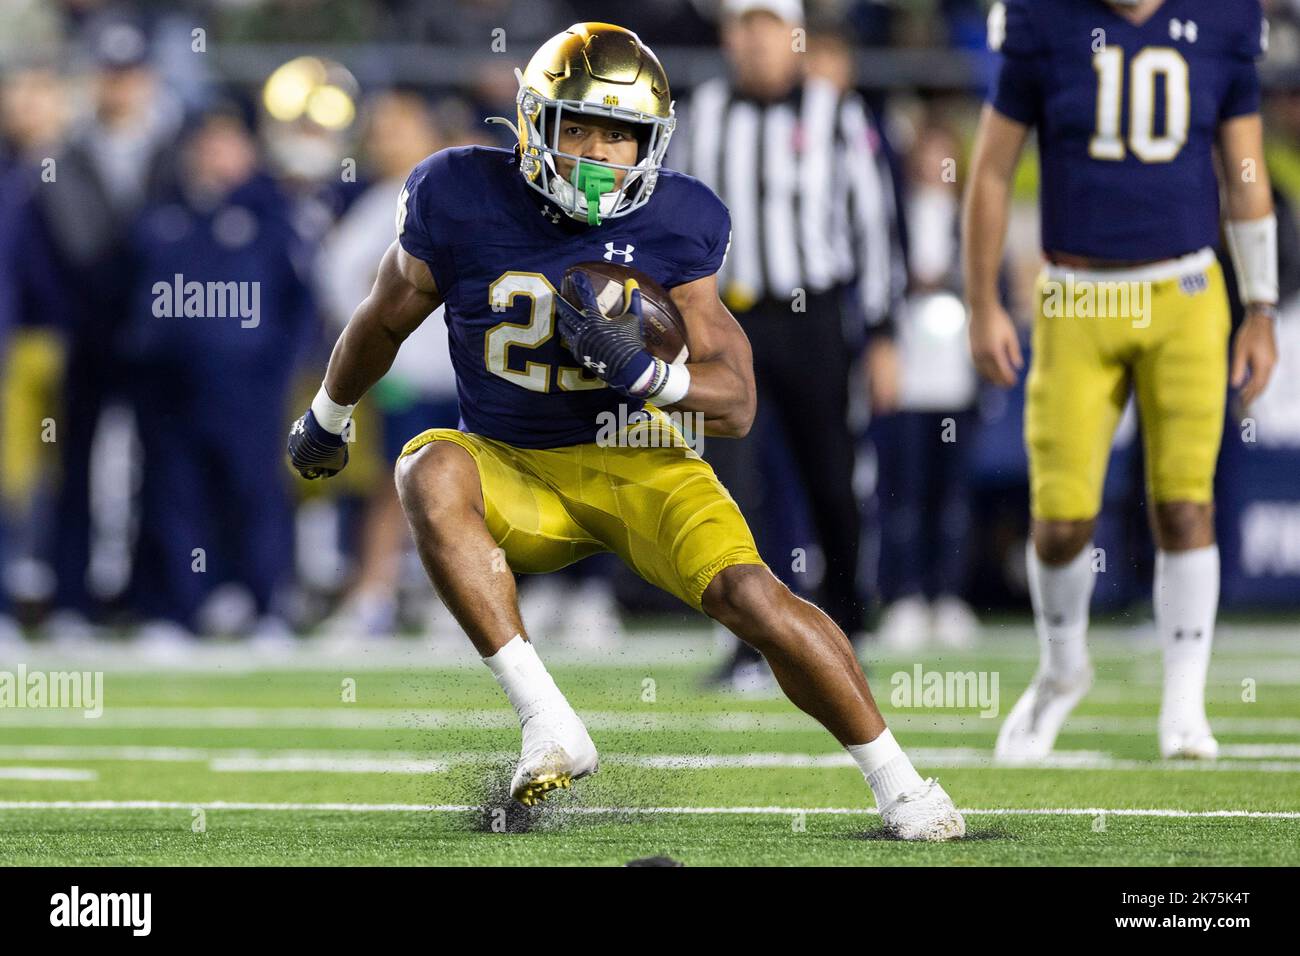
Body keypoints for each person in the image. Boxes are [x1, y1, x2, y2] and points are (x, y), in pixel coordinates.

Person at [288, 22, 963, 840]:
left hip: (636, 460)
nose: (600, 153)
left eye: (621, 135)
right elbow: (382, 317)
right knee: (426, 467)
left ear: (652, 144)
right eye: (580, 128)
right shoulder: (457, 193)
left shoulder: (679, 221)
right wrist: (328, 414)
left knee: (753, 596)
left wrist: (649, 376)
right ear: (536, 124)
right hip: (511, 467)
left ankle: (901, 783)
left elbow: (737, 398)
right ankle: (548, 722)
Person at [964, 0, 1278, 760]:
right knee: (1062, 521)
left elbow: (1244, 172)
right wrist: (981, 304)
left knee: (1184, 504)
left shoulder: (1222, 18)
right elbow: (992, 171)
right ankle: (1062, 668)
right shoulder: (1045, 21)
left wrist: (1261, 306)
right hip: (1076, 297)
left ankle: (1183, 706)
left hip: (1187, 295)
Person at [671, 0, 905, 686]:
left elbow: (875, 224)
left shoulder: (839, 112)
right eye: (744, 27)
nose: (755, 42)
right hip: (726, 322)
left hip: (814, 320)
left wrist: (883, 331)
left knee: (830, 472)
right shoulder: (700, 114)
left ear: (794, 36)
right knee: (732, 486)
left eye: (768, 27)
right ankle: (750, 640)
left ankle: (851, 618)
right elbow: (674, 221)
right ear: (728, 35)